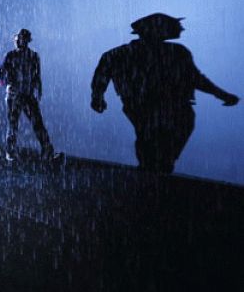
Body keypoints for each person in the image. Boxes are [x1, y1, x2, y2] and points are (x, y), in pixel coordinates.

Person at [91, 13, 239, 174]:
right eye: (174, 25)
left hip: (162, 106)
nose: (181, 28)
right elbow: (196, 78)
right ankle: (155, 173)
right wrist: (97, 96)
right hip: (156, 106)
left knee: (155, 138)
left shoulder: (119, 54)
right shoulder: (173, 53)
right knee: (153, 137)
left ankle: (155, 172)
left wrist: (97, 96)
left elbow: (194, 78)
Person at [0, 28, 60, 162]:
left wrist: (38, 91)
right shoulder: (11, 56)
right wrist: (7, 81)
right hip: (15, 95)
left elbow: (37, 77)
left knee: (36, 123)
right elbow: (1, 74)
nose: (18, 42)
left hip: (27, 95)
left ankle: (47, 151)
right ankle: (11, 152)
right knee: (13, 125)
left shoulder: (33, 56)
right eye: (18, 39)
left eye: (20, 39)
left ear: (25, 41)